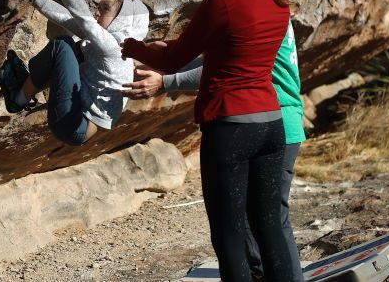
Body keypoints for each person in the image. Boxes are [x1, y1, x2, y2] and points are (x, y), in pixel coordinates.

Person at [121, 0, 293, 282]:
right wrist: (177, 49)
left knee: (229, 233)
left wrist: (133, 47)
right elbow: (232, 50)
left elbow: (175, 59)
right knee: (268, 228)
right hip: (271, 122)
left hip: (231, 126)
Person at [122, 20, 306, 282]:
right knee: (253, 218)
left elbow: (223, 68)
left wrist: (166, 80)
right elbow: (215, 59)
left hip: (271, 120)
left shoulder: (256, 14)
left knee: (271, 218)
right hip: (277, 119)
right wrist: (164, 57)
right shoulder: (270, 10)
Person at [0, 0, 149, 146]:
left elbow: (81, 15)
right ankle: (27, 87)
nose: (97, 12)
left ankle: (19, 98)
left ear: (122, 22)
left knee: (63, 45)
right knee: (76, 48)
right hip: (76, 119)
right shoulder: (112, 44)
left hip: (73, 123)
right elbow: (68, 18)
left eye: (104, 10)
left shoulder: (115, 49)